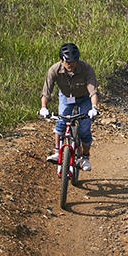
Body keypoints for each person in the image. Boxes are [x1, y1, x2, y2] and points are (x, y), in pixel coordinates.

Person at [38, 42, 99, 171]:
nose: (70, 65)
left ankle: (85, 158)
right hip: (66, 96)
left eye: (73, 61)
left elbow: (93, 90)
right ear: (61, 60)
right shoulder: (54, 70)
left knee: (84, 129)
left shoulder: (86, 69)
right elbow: (46, 92)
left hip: (84, 98)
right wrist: (44, 107)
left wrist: (94, 107)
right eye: (67, 62)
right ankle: (57, 151)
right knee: (61, 122)